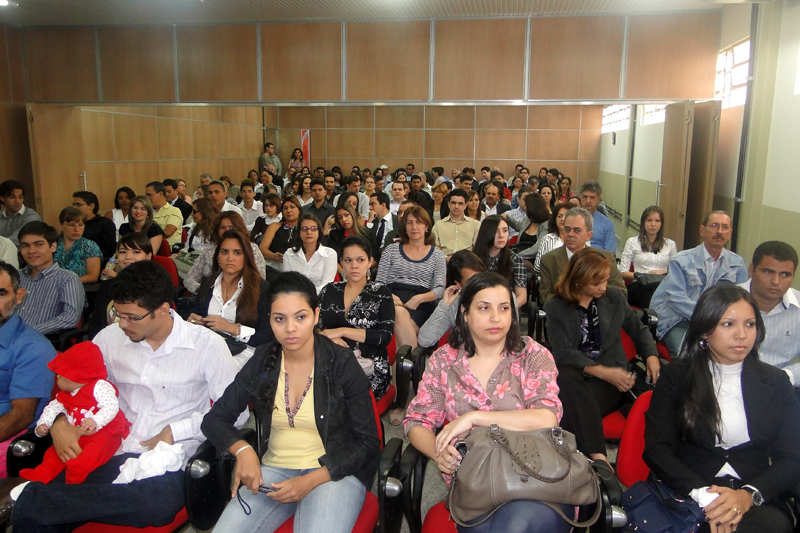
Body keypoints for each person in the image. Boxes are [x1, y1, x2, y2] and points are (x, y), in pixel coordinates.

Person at [0, 261, 249, 531]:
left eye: (131, 317)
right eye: (118, 314)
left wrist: (176, 430)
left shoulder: (206, 345)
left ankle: (32, 497)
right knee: (38, 519)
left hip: (168, 458)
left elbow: (236, 414)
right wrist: (60, 422)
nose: (122, 324)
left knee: (158, 504)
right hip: (109, 448)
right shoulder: (108, 339)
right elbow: (73, 389)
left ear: (163, 309)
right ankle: (39, 500)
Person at [200, 272, 380, 533]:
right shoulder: (264, 359)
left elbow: (368, 442)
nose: (290, 328)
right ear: (270, 319)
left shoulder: (340, 362)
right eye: (279, 319)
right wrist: (243, 450)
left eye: (300, 317)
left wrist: (310, 481)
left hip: (334, 471)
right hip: (276, 467)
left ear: (316, 316)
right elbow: (215, 418)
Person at [405, 272, 570, 533]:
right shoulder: (444, 360)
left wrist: (474, 417)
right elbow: (417, 421)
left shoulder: (532, 355)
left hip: (536, 476)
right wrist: (438, 452)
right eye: (484, 308)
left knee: (516, 524)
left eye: (504, 308)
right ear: (465, 314)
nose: (496, 317)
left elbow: (546, 416)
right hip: (476, 482)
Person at [643, 284, 800, 533]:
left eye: (750, 324)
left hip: (753, 491)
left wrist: (749, 495)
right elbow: (657, 449)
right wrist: (704, 496)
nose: (742, 335)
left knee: (770, 527)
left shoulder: (776, 381)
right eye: (728, 324)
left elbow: (792, 456)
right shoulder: (676, 376)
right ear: (705, 330)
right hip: (689, 489)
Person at [544, 248, 659, 471]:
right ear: (579, 280)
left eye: (605, 280)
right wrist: (602, 371)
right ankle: (598, 457)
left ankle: (569, 462)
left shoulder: (613, 298)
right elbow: (563, 352)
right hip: (581, 372)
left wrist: (651, 355)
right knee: (567, 377)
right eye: (597, 283)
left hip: (611, 377)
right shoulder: (555, 307)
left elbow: (638, 329)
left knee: (570, 406)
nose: (604, 287)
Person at [19, 342, 130, 485]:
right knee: (54, 453)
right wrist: (44, 423)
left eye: (60, 374)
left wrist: (96, 420)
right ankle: (39, 474)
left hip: (104, 430)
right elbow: (52, 408)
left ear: (75, 376)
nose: (56, 377)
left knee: (97, 449)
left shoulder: (99, 386)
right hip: (76, 431)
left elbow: (111, 406)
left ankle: (79, 469)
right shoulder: (65, 395)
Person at [650, 211, 747, 359]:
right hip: (679, 320)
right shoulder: (681, 260)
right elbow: (676, 299)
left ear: (730, 233)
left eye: (725, 227)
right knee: (690, 357)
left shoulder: (737, 264)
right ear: (702, 230)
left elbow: (741, 301)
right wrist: (709, 318)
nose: (720, 231)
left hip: (718, 323)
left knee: (730, 355)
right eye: (714, 226)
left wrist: (721, 322)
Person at [319, 235, 395, 401]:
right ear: (341, 262)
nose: (354, 266)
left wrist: (341, 331)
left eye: (360, 260)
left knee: (337, 396)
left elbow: (385, 336)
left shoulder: (381, 292)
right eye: (348, 260)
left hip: (369, 366)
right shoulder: (329, 290)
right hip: (332, 360)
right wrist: (328, 338)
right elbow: (312, 328)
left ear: (370, 262)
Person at [0, 261, 56, 479]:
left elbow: (20, 417)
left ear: (19, 296)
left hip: (11, 437)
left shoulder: (33, 347)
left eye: (1, 294)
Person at [189, 230, 273, 371]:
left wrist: (232, 328)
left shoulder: (261, 289)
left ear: (246, 256)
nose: (230, 258)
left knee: (215, 369)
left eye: (237, 253)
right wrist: (194, 320)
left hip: (244, 351)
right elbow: (197, 314)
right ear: (217, 256)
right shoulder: (208, 284)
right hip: (209, 346)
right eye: (224, 252)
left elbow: (268, 335)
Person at [376, 206, 446, 349]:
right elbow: (379, 283)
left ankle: (405, 361)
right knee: (399, 315)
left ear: (427, 227)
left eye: (419, 222)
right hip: (392, 296)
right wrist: (389, 296)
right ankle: (412, 360)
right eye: (409, 222)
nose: (414, 227)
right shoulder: (391, 250)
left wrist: (419, 298)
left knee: (399, 320)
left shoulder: (437, 255)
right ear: (404, 227)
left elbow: (440, 289)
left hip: (420, 302)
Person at [738, 241, 800, 389]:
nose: (775, 281)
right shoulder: (724, 302)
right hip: (730, 384)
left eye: (785, 274)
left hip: (783, 386)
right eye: (768, 272)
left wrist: (784, 377)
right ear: (752, 269)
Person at [539, 207, 626, 304]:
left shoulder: (605, 258)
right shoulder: (549, 259)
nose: (570, 234)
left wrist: (590, 302)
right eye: (567, 229)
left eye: (577, 230)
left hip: (598, 309)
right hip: (564, 310)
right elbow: (545, 295)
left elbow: (621, 293)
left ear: (589, 235)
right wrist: (571, 304)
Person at [17, 222, 84, 335]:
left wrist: (28, 333)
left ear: (53, 247)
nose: (31, 250)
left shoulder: (68, 279)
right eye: (25, 246)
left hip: (42, 339)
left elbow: (70, 318)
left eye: (38, 244)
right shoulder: (15, 277)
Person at [88, 233, 152, 339]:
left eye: (136, 252)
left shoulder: (154, 286)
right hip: (108, 342)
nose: (128, 257)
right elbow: (96, 323)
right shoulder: (108, 285)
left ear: (148, 256)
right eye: (123, 252)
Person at [417, 250, 486, 348]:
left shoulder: (500, 297)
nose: (479, 283)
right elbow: (424, 341)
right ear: (459, 283)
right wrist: (444, 305)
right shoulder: (455, 304)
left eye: (481, 276)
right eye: (471, 280)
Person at [184, 212, 267, 293]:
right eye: (222, 227)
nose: (227, 231)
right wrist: (204, 291)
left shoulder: (252, 249)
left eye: (231, 227)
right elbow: (189, 278)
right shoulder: (210, 249)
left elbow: (260, 281)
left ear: (240, 228)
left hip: (243, 295)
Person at [472, 215, 527, 308]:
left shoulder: (516, 260)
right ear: (486, 233)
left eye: (505, 230)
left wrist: (504, 309)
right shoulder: (473, 258)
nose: (501, 235)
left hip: (504, 307)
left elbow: (522, 296)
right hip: (478, 306)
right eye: (496, 231)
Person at [283, 214, 337, 294]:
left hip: (321, 297)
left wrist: (306, 294)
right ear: (299, 232)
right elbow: (287, 283)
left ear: (319, 232)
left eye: (313, 228)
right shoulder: (289, 254)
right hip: (295, 297)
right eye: (304, 229)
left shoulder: (330, 254)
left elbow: (326, 285)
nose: (309, 232)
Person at [620, 206, 677, 279]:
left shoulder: (670, 244)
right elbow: (623, 272)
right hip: (641, 283)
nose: (653, 224)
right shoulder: (632, 242)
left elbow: (675, 272)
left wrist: (664, 274)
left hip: (662, 283)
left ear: (661, 223)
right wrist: (643, 277)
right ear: (643, 222)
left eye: (657, 221)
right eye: (649, 220)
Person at [324, 203, 380, 272]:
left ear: (353, 215)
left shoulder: (367, 233)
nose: (344, 219)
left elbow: (376, 258)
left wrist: (362, 269)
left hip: (364, 271)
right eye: (340, 217)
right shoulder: (334, 235)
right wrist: (344, 274)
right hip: (341, 272)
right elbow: (332, 258)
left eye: (346, 215)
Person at [54, 207, 102, 284]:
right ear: (61, 226)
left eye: (80, 225)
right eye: (71, 225)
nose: (77, 229)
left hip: (80, 287)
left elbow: (93, 276)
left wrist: (67, 283)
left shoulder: (90, 245)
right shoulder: (52, 245)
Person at [430, 189, 480, 259]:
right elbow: (434, 249)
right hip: (443, 262)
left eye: (460, 203)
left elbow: (478, 248)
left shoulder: (475, 225)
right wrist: (445, 258)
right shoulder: (438, 225)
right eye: (453, 203)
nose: (456, 206)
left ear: (465, 205)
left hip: (468, 261)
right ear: (449, 204)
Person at [259, 196, 302, 273]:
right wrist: (273, 256)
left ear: (299, 210)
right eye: (285, 208)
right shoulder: (274, 226)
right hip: (275, 266)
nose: (289, 210)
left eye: (292, 207)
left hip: (298, 266)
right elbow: (262, 248)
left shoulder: (305, 228)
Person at [71, 191, 116, 259]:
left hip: (96, 261)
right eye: (73, 204)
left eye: (78, 205)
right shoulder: (72, 224)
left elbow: (109, 250)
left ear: (91, 206)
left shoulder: (104, 223)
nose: (74, 208)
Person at [578, 181, 616, 254]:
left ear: (598, 200)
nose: (588, 201)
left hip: (598, 259)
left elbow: (610, 253)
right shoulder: (570, 219)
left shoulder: (607, 224)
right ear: (580, 198)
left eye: (592, 197)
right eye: (585, 197)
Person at [510, 192, 551, 261]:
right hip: (519, 257)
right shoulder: (528, 219)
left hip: (534, 259)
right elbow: (518, 226)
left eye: (526, 206)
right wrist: (506, 217)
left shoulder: (546, 225)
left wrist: (516, 256)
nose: (525, 208)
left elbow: (537, 248)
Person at [0, 181, 41, 247]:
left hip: (22, 253)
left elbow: (17, 239)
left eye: (20, 197)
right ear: (2, 199)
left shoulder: (31, 216)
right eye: (12, 197)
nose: (17, 201)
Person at [533, 201, 570, 274]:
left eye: (566, 216)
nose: (562, 219)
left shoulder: (580, 239)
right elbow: (537, 266)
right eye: (559, 216)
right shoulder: (547, 239)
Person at [145, 182, 183, 249]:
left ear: (160, 194)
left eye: (149, 195)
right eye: (146, 196)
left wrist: (147, 237)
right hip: (148, 247)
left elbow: (168, 232)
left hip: (168, 250)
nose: (147, 198)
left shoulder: (174, 211)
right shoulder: (146, 212)